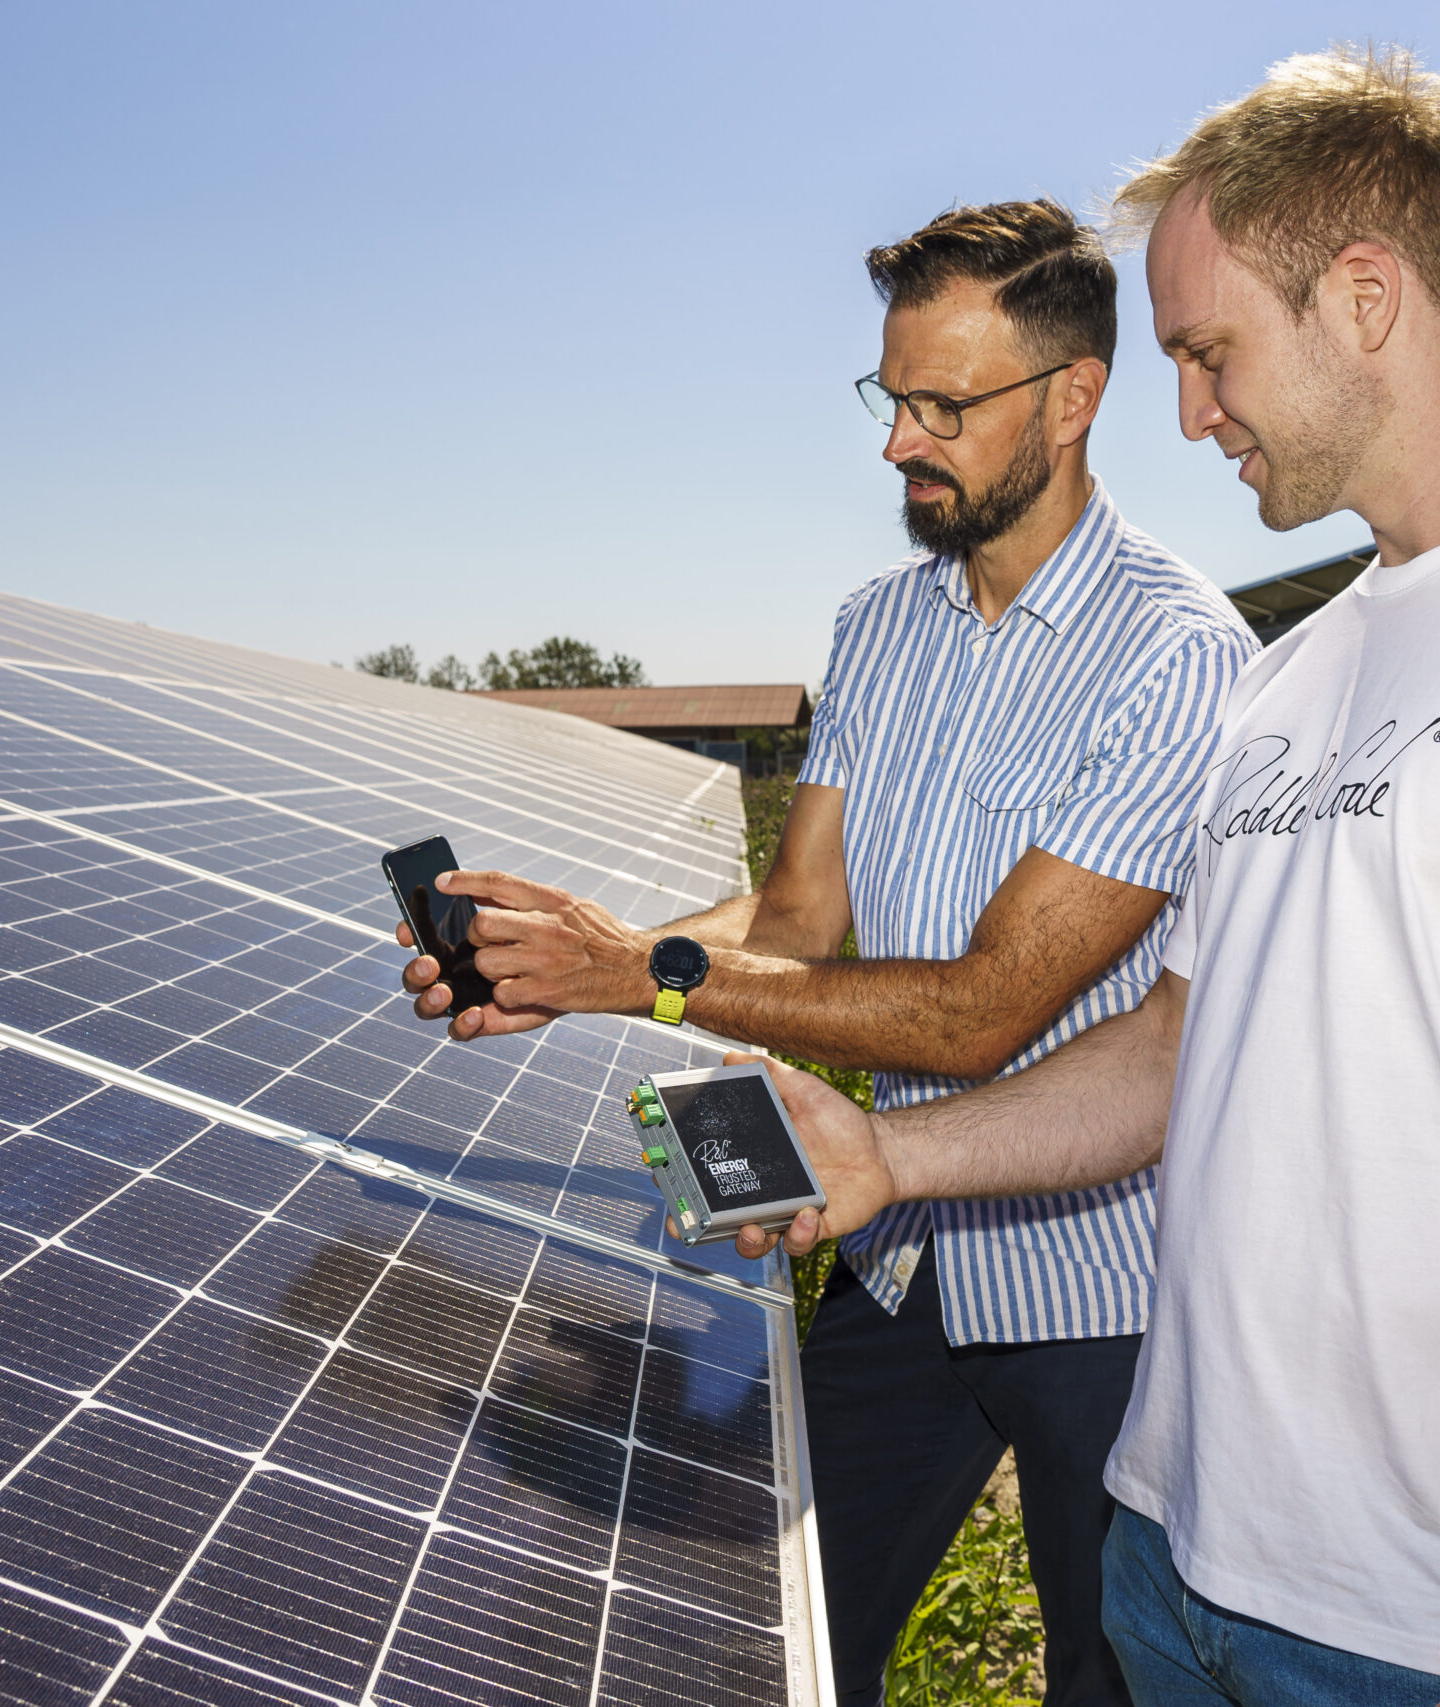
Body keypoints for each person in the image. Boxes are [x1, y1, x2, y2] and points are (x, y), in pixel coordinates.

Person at [733, 45, 1440, 1707]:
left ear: (1367, 297)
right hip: (1165, 1553)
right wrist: (896, 1157)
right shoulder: (1290, 676)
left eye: (1209, 352)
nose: (1190, 411)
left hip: (1418, 1638)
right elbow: (1179, 1047)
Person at [396, 200, 1256, 1706]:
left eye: (945, 406)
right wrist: (570, 955)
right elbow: (794, 922)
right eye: (891, 396)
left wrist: (639, 974)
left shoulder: (1180, 660)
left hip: (1107, 1297)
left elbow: (985, 1010)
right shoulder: (876, 629)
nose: (900, 443)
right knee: (761, 1642)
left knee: (1108, 1678)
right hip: (897, 1247)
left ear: (1073, 399)